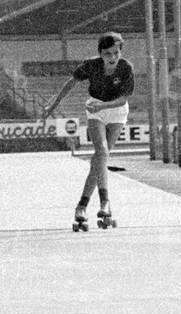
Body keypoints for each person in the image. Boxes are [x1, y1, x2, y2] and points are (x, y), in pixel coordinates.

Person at [42, 32, 135, 230]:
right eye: (108, 54)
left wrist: (104, 107)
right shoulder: (91, 65)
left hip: (116, 111)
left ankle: (81, 205)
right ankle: (104, 203)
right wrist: (52, 105)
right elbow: (71, 83)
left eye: (116, 53)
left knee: (99, 160)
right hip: (95, 109)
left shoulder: (126, 68)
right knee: (101, 153)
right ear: (100, 53)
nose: (112, 58)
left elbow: (123, 99)